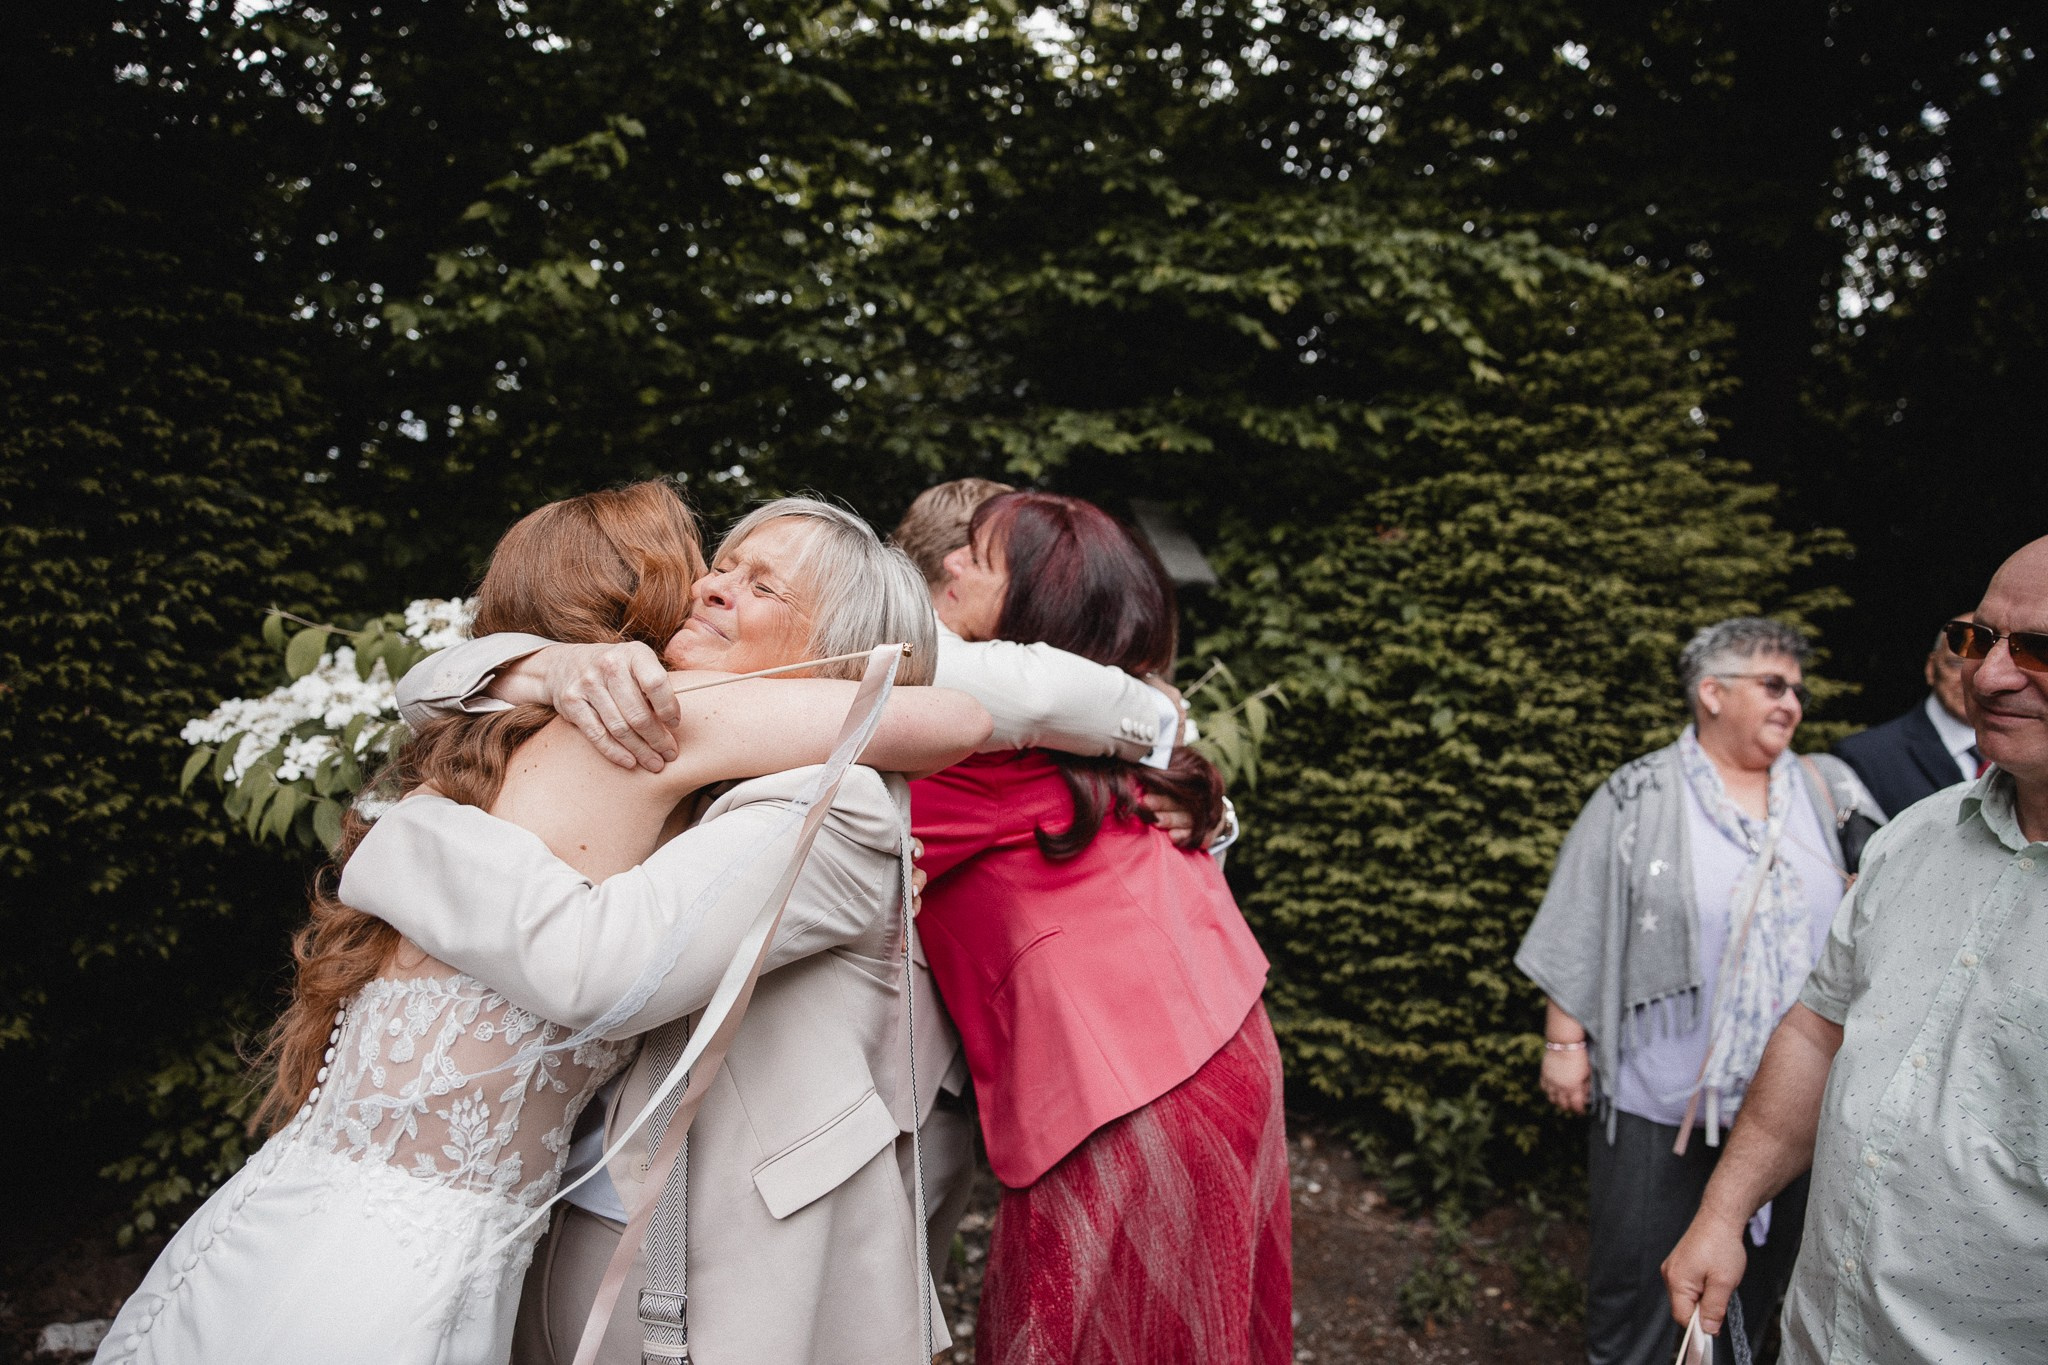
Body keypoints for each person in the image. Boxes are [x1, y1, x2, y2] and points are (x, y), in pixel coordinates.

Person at [95, 484, 992, 1365]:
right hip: (539, 1230)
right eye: (721, 566)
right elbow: (428, 685)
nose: (714, 587)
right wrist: (551, 666)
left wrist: (408, 835)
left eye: (764, 586)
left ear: (839, 653)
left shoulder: (837, 802)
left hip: (731, 1265)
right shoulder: (651, 743)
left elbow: (603, 971)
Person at [910, 490, 1291, 1365]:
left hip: (1132, 1095)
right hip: (1228, 1039)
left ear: (1037, 608)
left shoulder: (965, 748)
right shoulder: (1106, 740)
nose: (952, 563)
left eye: (979, 557)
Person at [1663, 538, 2048, 1362]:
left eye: (2039, 649)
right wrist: (1724, 1209)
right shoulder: (1913, 835)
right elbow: (1818, 1030)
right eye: (1978, 638)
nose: (1988, 676)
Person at [1513, 617, 1881, 1365]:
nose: (1792, 703)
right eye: (1773, 685)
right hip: (1662, 1091)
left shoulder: (1829, 788)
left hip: (1795, 1100)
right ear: (1711, 692)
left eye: (1798, 691)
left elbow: (1881, 906)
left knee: (1757, 1291)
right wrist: (1564, 1043)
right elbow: (1582, 912)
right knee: (1638, 1288)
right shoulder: (1638, 791)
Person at [1832, 612, 1982, 817]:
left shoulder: (2022, 755)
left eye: (1983, 667)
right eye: (1957, 664)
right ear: (1931, 668)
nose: (1970, 679)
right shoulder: (1866, 758)